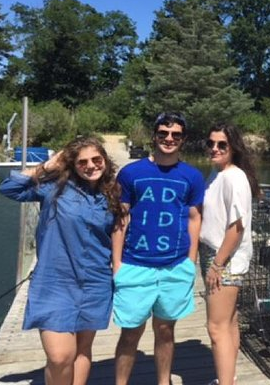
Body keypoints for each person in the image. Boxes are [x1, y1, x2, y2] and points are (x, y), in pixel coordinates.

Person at [0, 136, 122, 385]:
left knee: (82, 349)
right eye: (82, 162)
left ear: (105, 161)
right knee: (59, 356)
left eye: (96, 160)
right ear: (72, 165)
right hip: (54, 282)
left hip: (95, 281)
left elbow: (120, 230)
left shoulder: (112, 194)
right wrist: (48, 166)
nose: (90, 166)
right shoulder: (55, 187)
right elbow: (9, 189)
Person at [112, 112, 205, 385]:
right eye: (163, 133)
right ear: (154, 136)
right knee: (130, 332)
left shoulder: (192, 176)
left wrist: (190, 260)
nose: (169, 138)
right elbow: (121, 217)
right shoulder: (131, 173)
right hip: (135, 264)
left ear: (183, 139)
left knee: (165, 330)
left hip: (174, 266)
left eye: (176, 134)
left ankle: (163, 382)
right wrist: (117, 263)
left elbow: (194, 217)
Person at [199, 123, 260, 385]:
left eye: (221, 144)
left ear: (233, 147)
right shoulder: (217, 174)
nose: (215, 148)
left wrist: (217, 264)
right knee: (229, 321)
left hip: (225, 257)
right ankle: (229, 378)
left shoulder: (234, 177)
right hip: (217, 253)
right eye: (211, 143)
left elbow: (237, 227)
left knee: (216, 327)